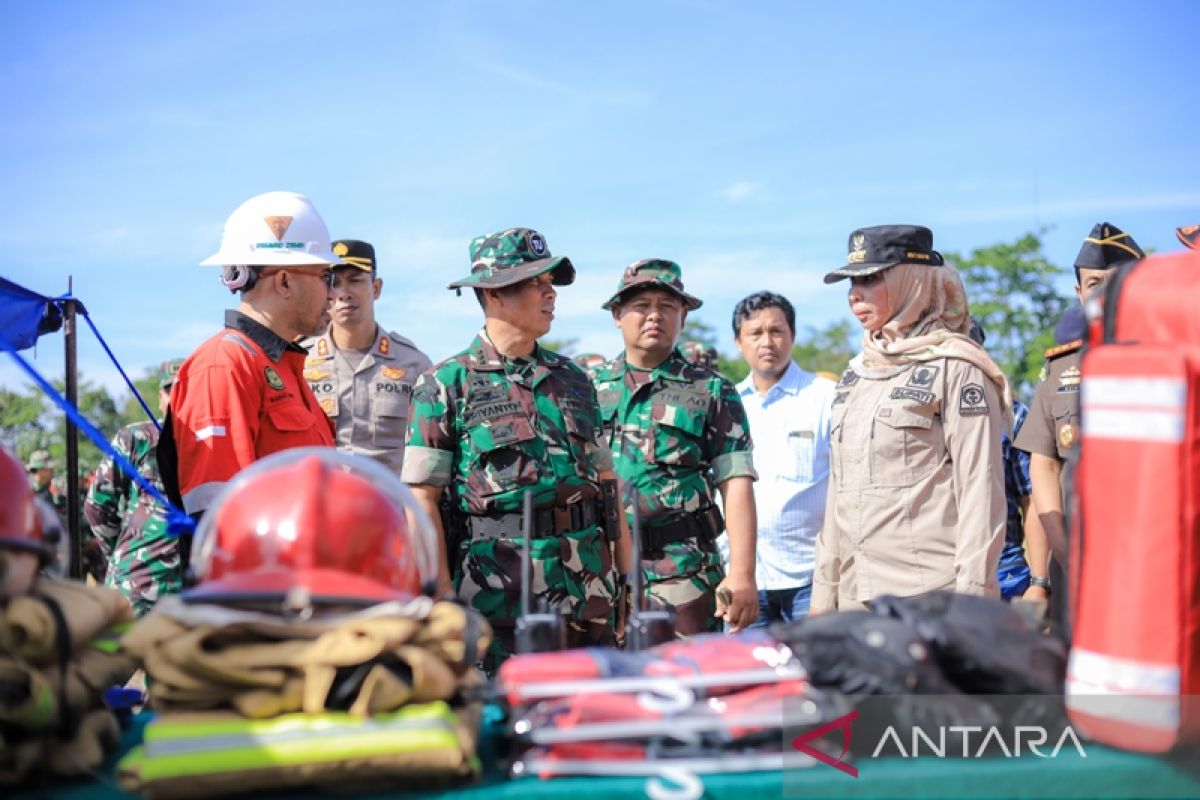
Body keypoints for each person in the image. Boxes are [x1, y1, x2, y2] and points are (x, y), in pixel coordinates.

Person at [402, 227, 630, 671]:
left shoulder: (574, 379)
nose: (551, 296)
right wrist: (442, 598)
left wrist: (627, 577)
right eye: (536, 284)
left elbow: (607, 482)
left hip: (589, 593)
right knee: (507, 727)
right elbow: (422, 499)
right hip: (500, 600)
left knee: (591, 723)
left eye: (551, 286)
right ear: (494, 295)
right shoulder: (446, 384)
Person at [811, 225, 1011, 613]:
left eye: (870, 279)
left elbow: (981, 493)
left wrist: (974, 601)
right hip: (854, 595)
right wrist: (824, 597)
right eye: (851, 282)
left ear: (911, 281)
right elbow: (839, 491)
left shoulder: (958, 367)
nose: (855, 293)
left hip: (931, 596)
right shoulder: (857, 372)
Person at [593, 259, 758, 633]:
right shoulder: (586, 387)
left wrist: (743, 574)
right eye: (641, 306)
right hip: (603, 572)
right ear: (618, 314)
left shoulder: (712, 390)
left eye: (666, 306)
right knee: (607, 684)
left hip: (684, 573)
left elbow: (736, 483)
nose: (654, 316)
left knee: (689, 683)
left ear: (683, 315)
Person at [158, 191, 339, 521]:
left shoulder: (280, 366)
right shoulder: (224, 365)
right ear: (284, 282)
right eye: (326, 277)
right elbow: (219, 517)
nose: (334, 293)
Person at [1014, 223, 1144, 578]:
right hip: (1075, 560)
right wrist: (1061, 547)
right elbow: (1044, 464)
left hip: (1152, 551)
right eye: (1093, 284)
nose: (1105, 292)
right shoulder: (1060, 366)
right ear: (1079, 292)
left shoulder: (1173, 358)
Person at [731, 291, 836, 625]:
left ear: (793, 335)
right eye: (755, 333)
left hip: (811, 581)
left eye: (777, 331)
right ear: (738, 342)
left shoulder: (825, 398)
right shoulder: (727, 404)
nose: (767, 342)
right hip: (746, 580)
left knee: (813, 674)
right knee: (749, 675)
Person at [301, 239, 432, 475]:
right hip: (320, 505)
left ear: (376, 288)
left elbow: (429, 450)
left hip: (388, 507)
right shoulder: (299, 362)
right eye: (333, 283)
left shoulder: (414, 364)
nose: (343, 293)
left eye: (354, 280)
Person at [84, 358, 185, 616]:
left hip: (191, 595)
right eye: (169, 390)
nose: (176, 397)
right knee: (116, 655)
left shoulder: (214, 442)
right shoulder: (137, 438)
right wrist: (120, 551)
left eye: (185, 388)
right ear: (159, 398)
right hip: (138, 589)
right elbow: (97, 507)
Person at [966, 320, 1050, 603]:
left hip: (1004, 570)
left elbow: (1032, 499)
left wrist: (1039, 582)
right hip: (936, 571)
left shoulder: (1011, 414)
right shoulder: (924, 416)